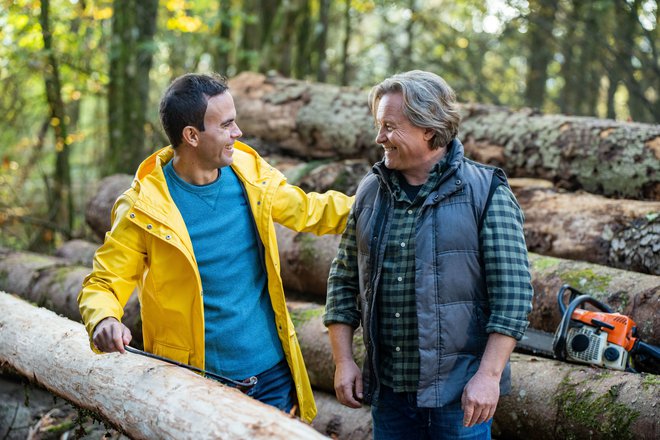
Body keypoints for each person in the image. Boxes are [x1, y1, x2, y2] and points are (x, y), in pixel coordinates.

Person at [78, 72, 353, 423]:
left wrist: (370, 204)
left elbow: (309, 211)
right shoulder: (143, 206)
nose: (237, 133)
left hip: (272, 376)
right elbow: (104, 282)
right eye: (226, 125)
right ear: (191, 135)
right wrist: (103, 317)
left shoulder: (249, 171)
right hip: (195, 384)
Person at [323, 70, 533, 439]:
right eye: (379, 125)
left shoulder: (487, 192)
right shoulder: (371, 191)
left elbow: (513, 297)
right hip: (389, 397)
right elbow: (342, 282)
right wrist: (343, 362)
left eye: (390, 127)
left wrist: (488, 377)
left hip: (460, 401)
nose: (380, 137)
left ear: (429, 130)